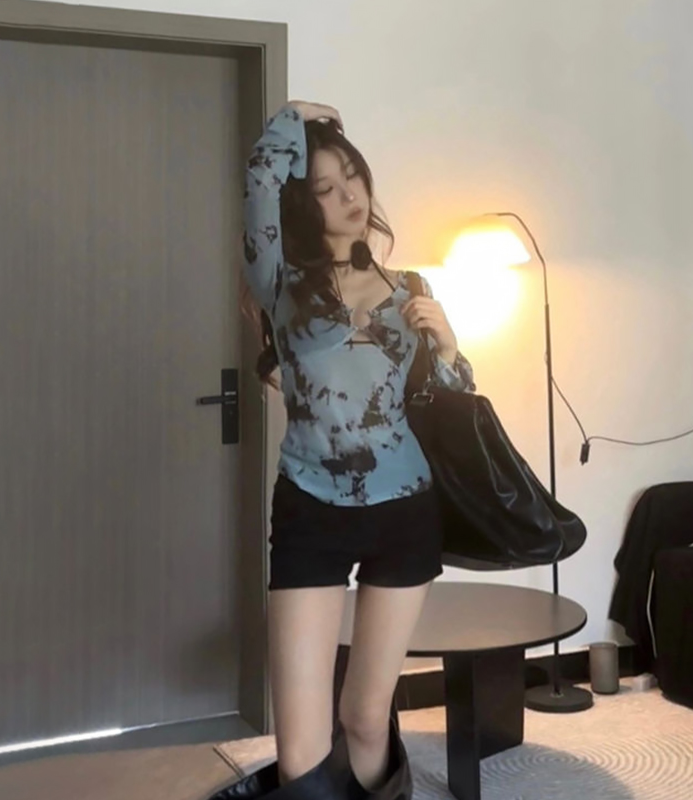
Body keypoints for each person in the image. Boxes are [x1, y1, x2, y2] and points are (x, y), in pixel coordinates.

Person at [210, 101, 476, 800]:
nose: (349, 196)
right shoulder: (281, 285)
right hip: (310, 511)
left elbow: (452, 400)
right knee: (301, 748)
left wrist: (450, 347)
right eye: (326, 188)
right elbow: (260, 181)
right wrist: (292, 119)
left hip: (405, 510)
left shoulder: (410, 288)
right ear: (305, 206)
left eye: (352, 176)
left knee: (364, 716)